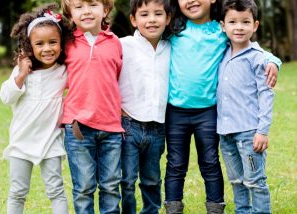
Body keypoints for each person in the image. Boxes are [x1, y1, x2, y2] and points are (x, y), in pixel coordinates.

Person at [164, 0, 281, 213]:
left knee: (210, 162)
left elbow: (250, 48)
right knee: (175, 164)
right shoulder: (173, 28)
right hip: (176, 111)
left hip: (209, 112)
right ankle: (173, 208)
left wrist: (273, 60)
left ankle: (215, 209)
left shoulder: (221, 29)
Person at [0, 3, 71, 214]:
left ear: (61, 43)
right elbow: (5, 97)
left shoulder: (64, 70)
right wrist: (21, 74)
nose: (47, 48)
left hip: (50, 142)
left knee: (56, 190)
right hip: (21, 142)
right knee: (17, 191)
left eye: (52, 42)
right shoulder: (22, 71)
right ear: (29, 45)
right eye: (39, 44)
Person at [60, 0, 123, 213]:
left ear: (105, 10)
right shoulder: (66, 43)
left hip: (111, 128)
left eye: (93, 5)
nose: (86, 11)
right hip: (78, 127)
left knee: (111, 186)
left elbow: (116, 78)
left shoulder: (115, 42)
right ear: (70, 14)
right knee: (84, 187)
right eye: (78, 7)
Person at [217, 0, 275, 213]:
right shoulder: (221, 53)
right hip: (225, 134)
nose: (239, 27)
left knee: (255, 181)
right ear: (223, 25)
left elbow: (266, 94)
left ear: (255, 25)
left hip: (249, 134)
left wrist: (262, 131)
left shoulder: (258, 58)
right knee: (236, 181)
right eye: (232, 22)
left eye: (245, 22)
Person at [118, 0, 171, 213]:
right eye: (144, 14)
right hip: (128, 124)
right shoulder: (122, 45)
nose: (151, 20)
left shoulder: (171, 47)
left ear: (167, 19)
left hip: (158, 126)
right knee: (127, 180)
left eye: (158, 14)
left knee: (152, 179)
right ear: (133, 19)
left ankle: (151, 210)